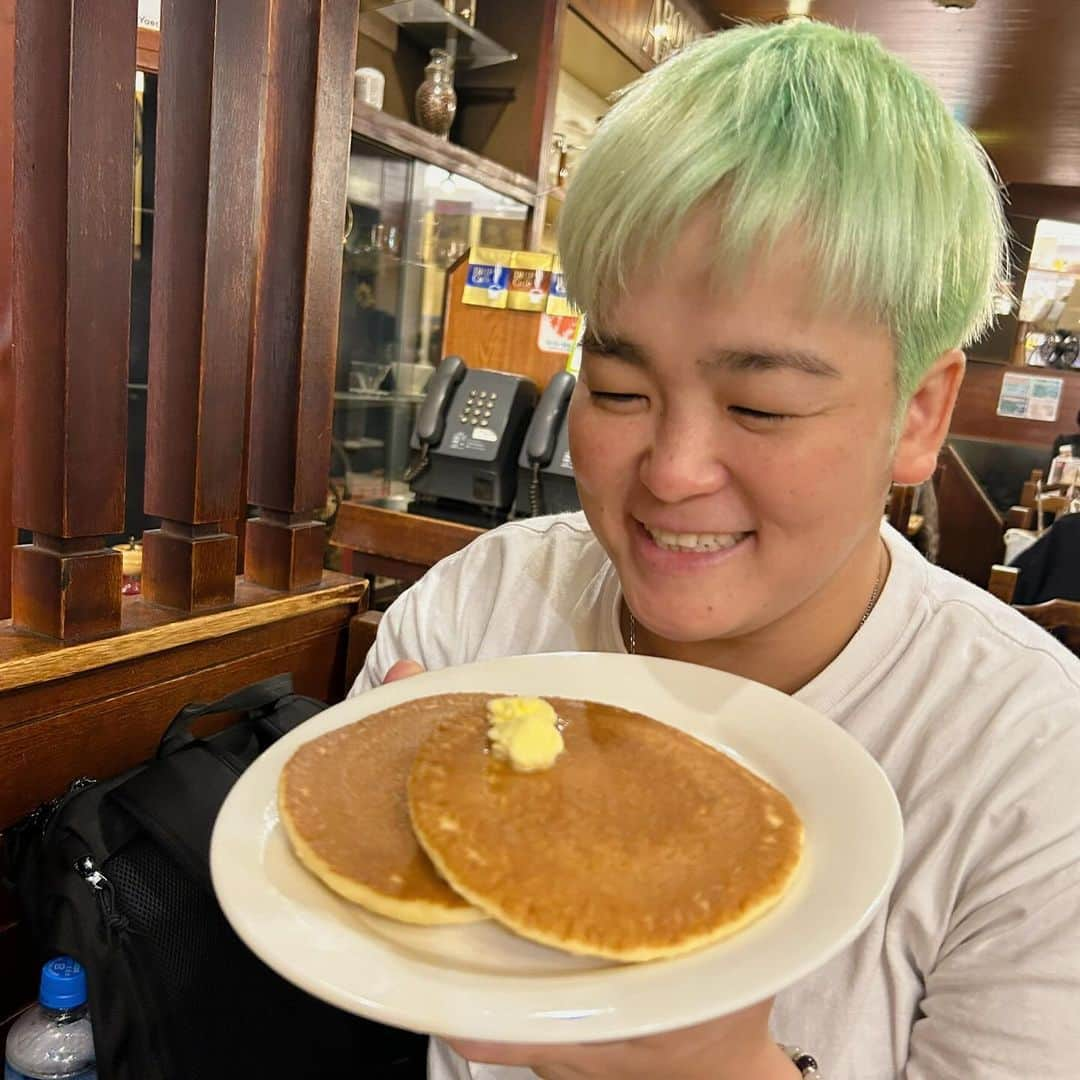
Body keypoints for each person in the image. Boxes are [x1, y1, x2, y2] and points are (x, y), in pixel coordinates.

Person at [351, 20, 1080, 1080]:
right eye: (618, 390)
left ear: (918, 416)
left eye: (763, 404)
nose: (672, 469)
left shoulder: (1035, 769)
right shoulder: (477, 619)